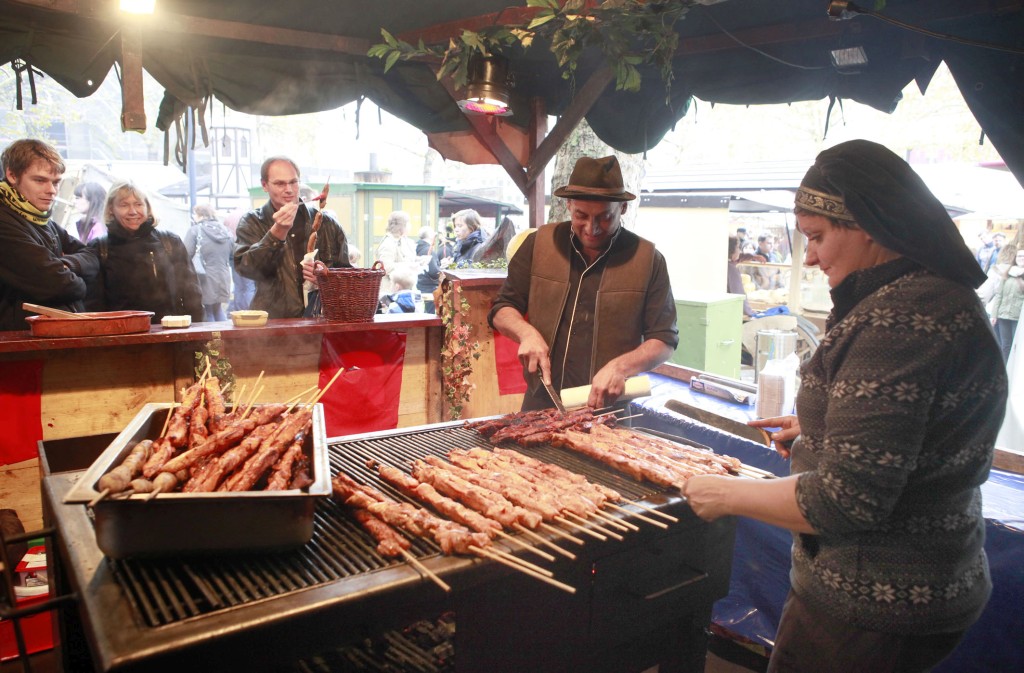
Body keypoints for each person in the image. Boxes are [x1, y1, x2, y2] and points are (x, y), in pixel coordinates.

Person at [683, 140, 1007, 673]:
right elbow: (917, 430)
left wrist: (724, 494)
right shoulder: (934, 295)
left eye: (817, 237)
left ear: (868, 225)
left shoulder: (898, 321)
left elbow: (846, 501)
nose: (809, 256)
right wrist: (822, 430)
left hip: (873, 602)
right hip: (933, 582)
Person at [489, 155, 678, 411]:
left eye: (604, 217)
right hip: (541, 401)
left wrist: (620, 367)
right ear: (569, 205)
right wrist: (526, 333)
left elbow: (664, 339)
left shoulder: (648, 260)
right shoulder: (538, 245)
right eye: (581, 215)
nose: (591, 228)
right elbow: (502, 309)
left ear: (622, 208)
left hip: (608, 408)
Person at [0, 139, 99, 330]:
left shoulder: (43, 221)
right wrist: (79, 282)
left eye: (56, 182)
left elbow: (92, 256)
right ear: (12, 175)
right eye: (40, 180)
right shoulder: (5, 221)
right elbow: (57, 284)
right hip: (20, 339)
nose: (51, 190)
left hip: (53, 334)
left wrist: (66, 264)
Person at [234, 156, 349, 318]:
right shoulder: (253, 222)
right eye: (280, 183)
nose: (288, 189)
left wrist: (326, 279)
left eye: (293, 182)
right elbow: (246, 268)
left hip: (320, 321)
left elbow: (349, 276)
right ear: (265, 185)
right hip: (273, 323)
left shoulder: (326, 224)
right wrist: (276, 233)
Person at [86, 181, 203, 323]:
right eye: (124, 205)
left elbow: (192, 294)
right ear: (111, 209)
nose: (133, 211)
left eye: (138, 204)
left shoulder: (169, 242)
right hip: (121, 334)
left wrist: (198, 330)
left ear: (147, 207)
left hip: (170, 332)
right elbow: (93, 304)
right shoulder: (99, 249)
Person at [184, 203, 233, 321]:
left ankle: (212, 333)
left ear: (200, 215)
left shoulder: (195, 230)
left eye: (195, 214)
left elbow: (186, 254)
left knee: (207, 312)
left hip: (204, 276)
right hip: (223, 275)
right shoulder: (226, 231)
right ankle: (223, 333)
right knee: (218, 309)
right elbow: (233, 253)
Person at [989, 246, 1024, 364]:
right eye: (1019, 256)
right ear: (1015, 258)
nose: (1021, 258)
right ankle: (1005, 368)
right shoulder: (1007, 274)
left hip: (1019, 317)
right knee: (1005, 345)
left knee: (1018, 346)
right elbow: (999, 295)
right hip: (1003, 314)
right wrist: (994, 314)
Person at [375, 210, 418, 293]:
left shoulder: (403, 240)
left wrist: (419, 261)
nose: (410, 226)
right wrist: (408, 266)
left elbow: (406, 258)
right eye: (408, 223)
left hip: (404, 289)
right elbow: (386, 267)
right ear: (401, 226)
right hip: (391, 290)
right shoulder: (388, 243)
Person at [727, 235, 754, 317]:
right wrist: (750, 312)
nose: (740, 251)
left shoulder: (726, 265)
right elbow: (739, 294)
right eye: (738, 248)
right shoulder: (731, 269)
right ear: (731, 250)